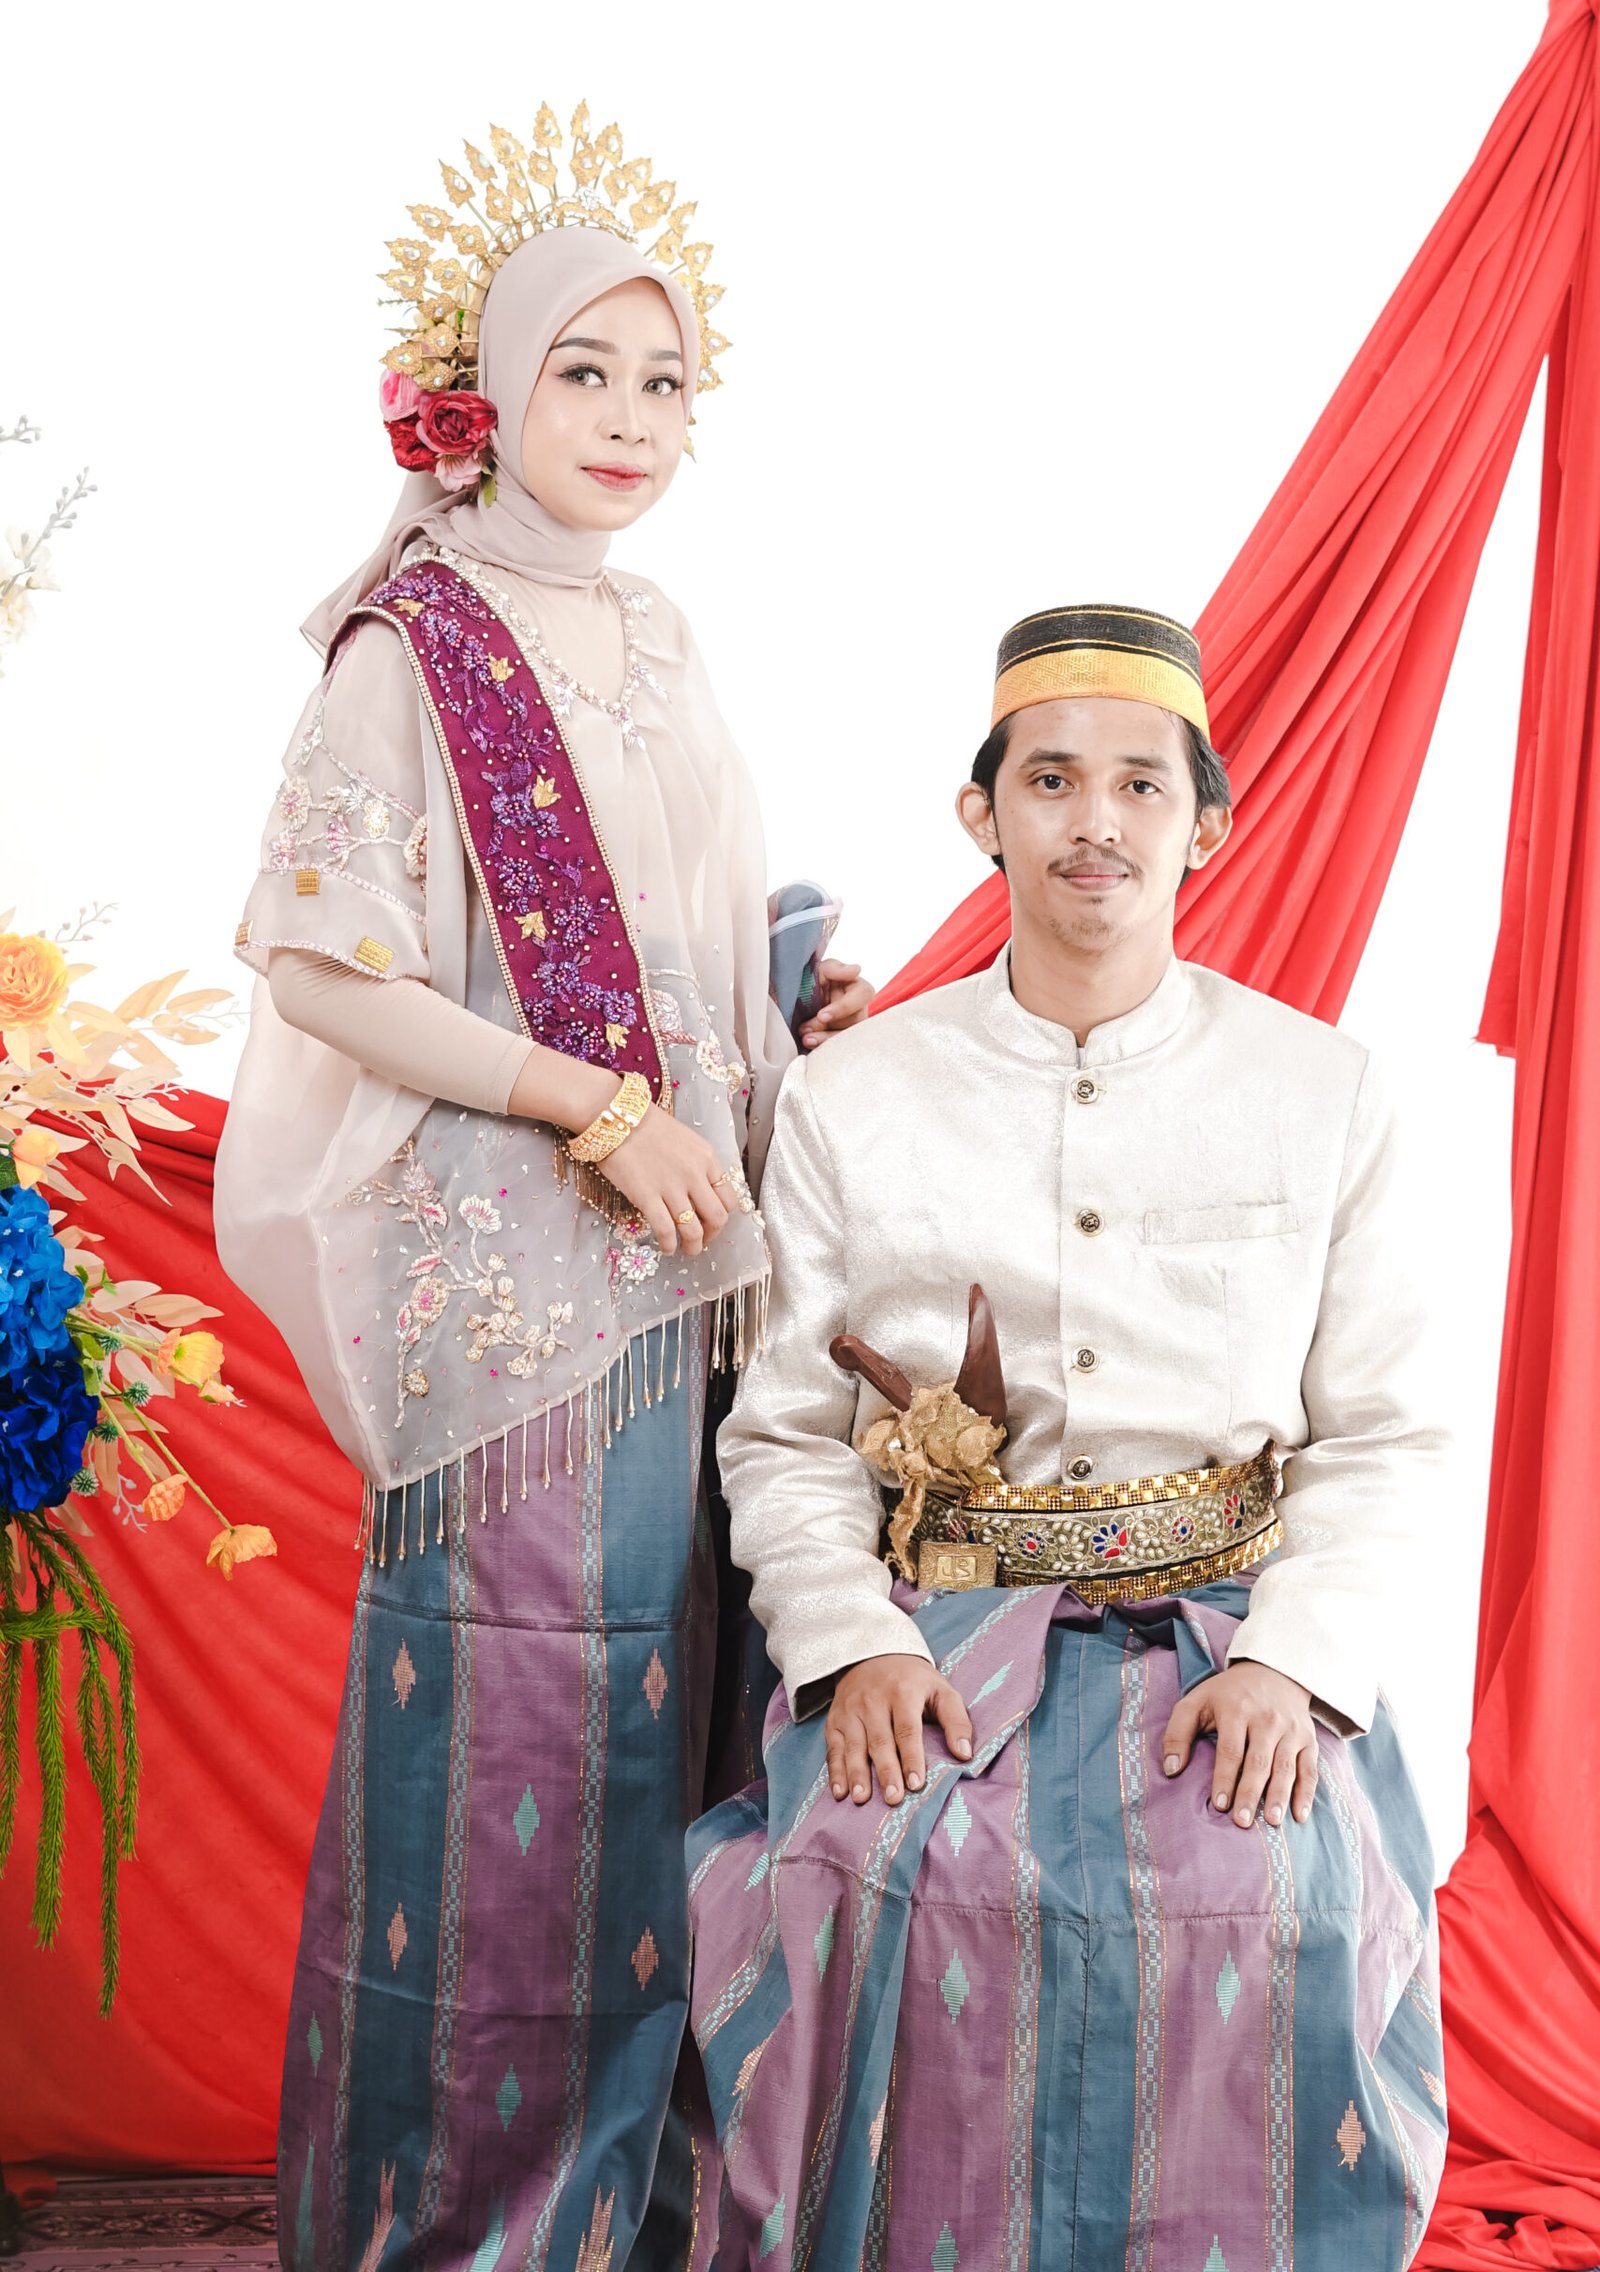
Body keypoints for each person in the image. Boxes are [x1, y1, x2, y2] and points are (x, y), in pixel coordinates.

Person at [213, 112, 871, 2272]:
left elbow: (687, 948)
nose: (629, 419)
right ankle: (451, 2225)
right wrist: (598, 1111)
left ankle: (637, 2219)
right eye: (583, 370)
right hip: (507, 1297)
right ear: (485, 388)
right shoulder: (410, 646)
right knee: (507, 1756)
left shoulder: (658, 634)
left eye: (665, 381)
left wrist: (786, 1002)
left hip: (686, 1276)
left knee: (666, 1747)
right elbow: (324, 964)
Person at [688, 606, 1447, 2270]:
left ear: (1205, 825)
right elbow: (789, 1434)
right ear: (984, 812)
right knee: (870, 1875)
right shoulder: (857, 1095)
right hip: (942, 1637)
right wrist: (851, 1646)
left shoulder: (1322, 1090)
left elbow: (1388, 1433)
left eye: (1139, 784)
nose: (1095, 820)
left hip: (1232, 1645)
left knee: (1287, 1897)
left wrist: (1296, 1667)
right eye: (1049, 779)